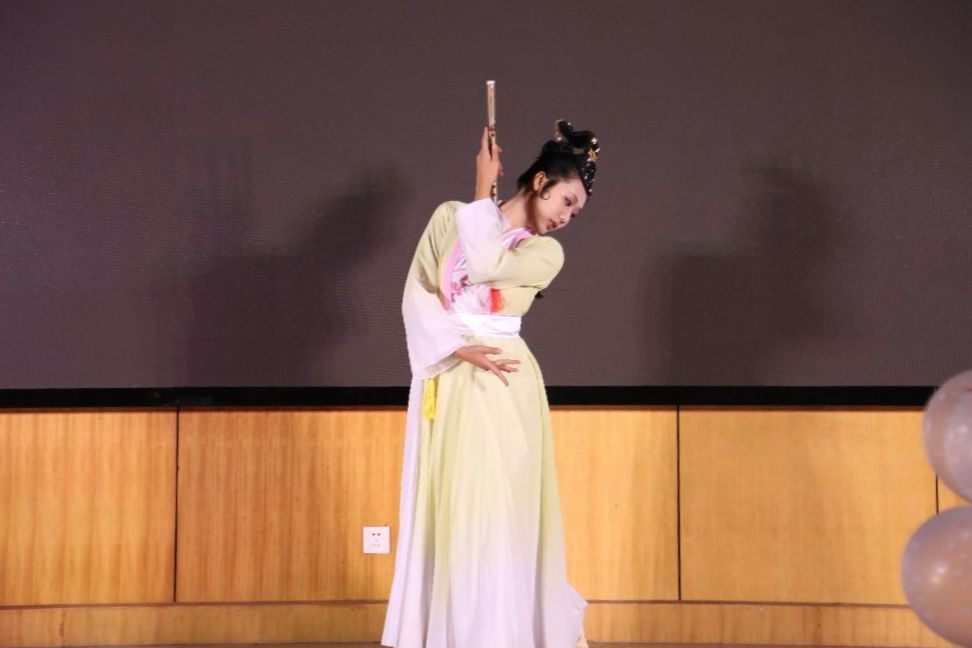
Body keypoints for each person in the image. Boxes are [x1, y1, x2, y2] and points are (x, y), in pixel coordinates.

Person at [381, 119, 600, 648]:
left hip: (501, 379)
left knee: (493, 510)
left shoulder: (544, 254)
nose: (566, 217)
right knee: (451, 510)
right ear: (541, 181)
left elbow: (484, 264)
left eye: (575, 212)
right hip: (449, 371)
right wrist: (457, 348)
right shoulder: (449, 218)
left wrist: (482, 189)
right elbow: (418, 292)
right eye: (566, 201)